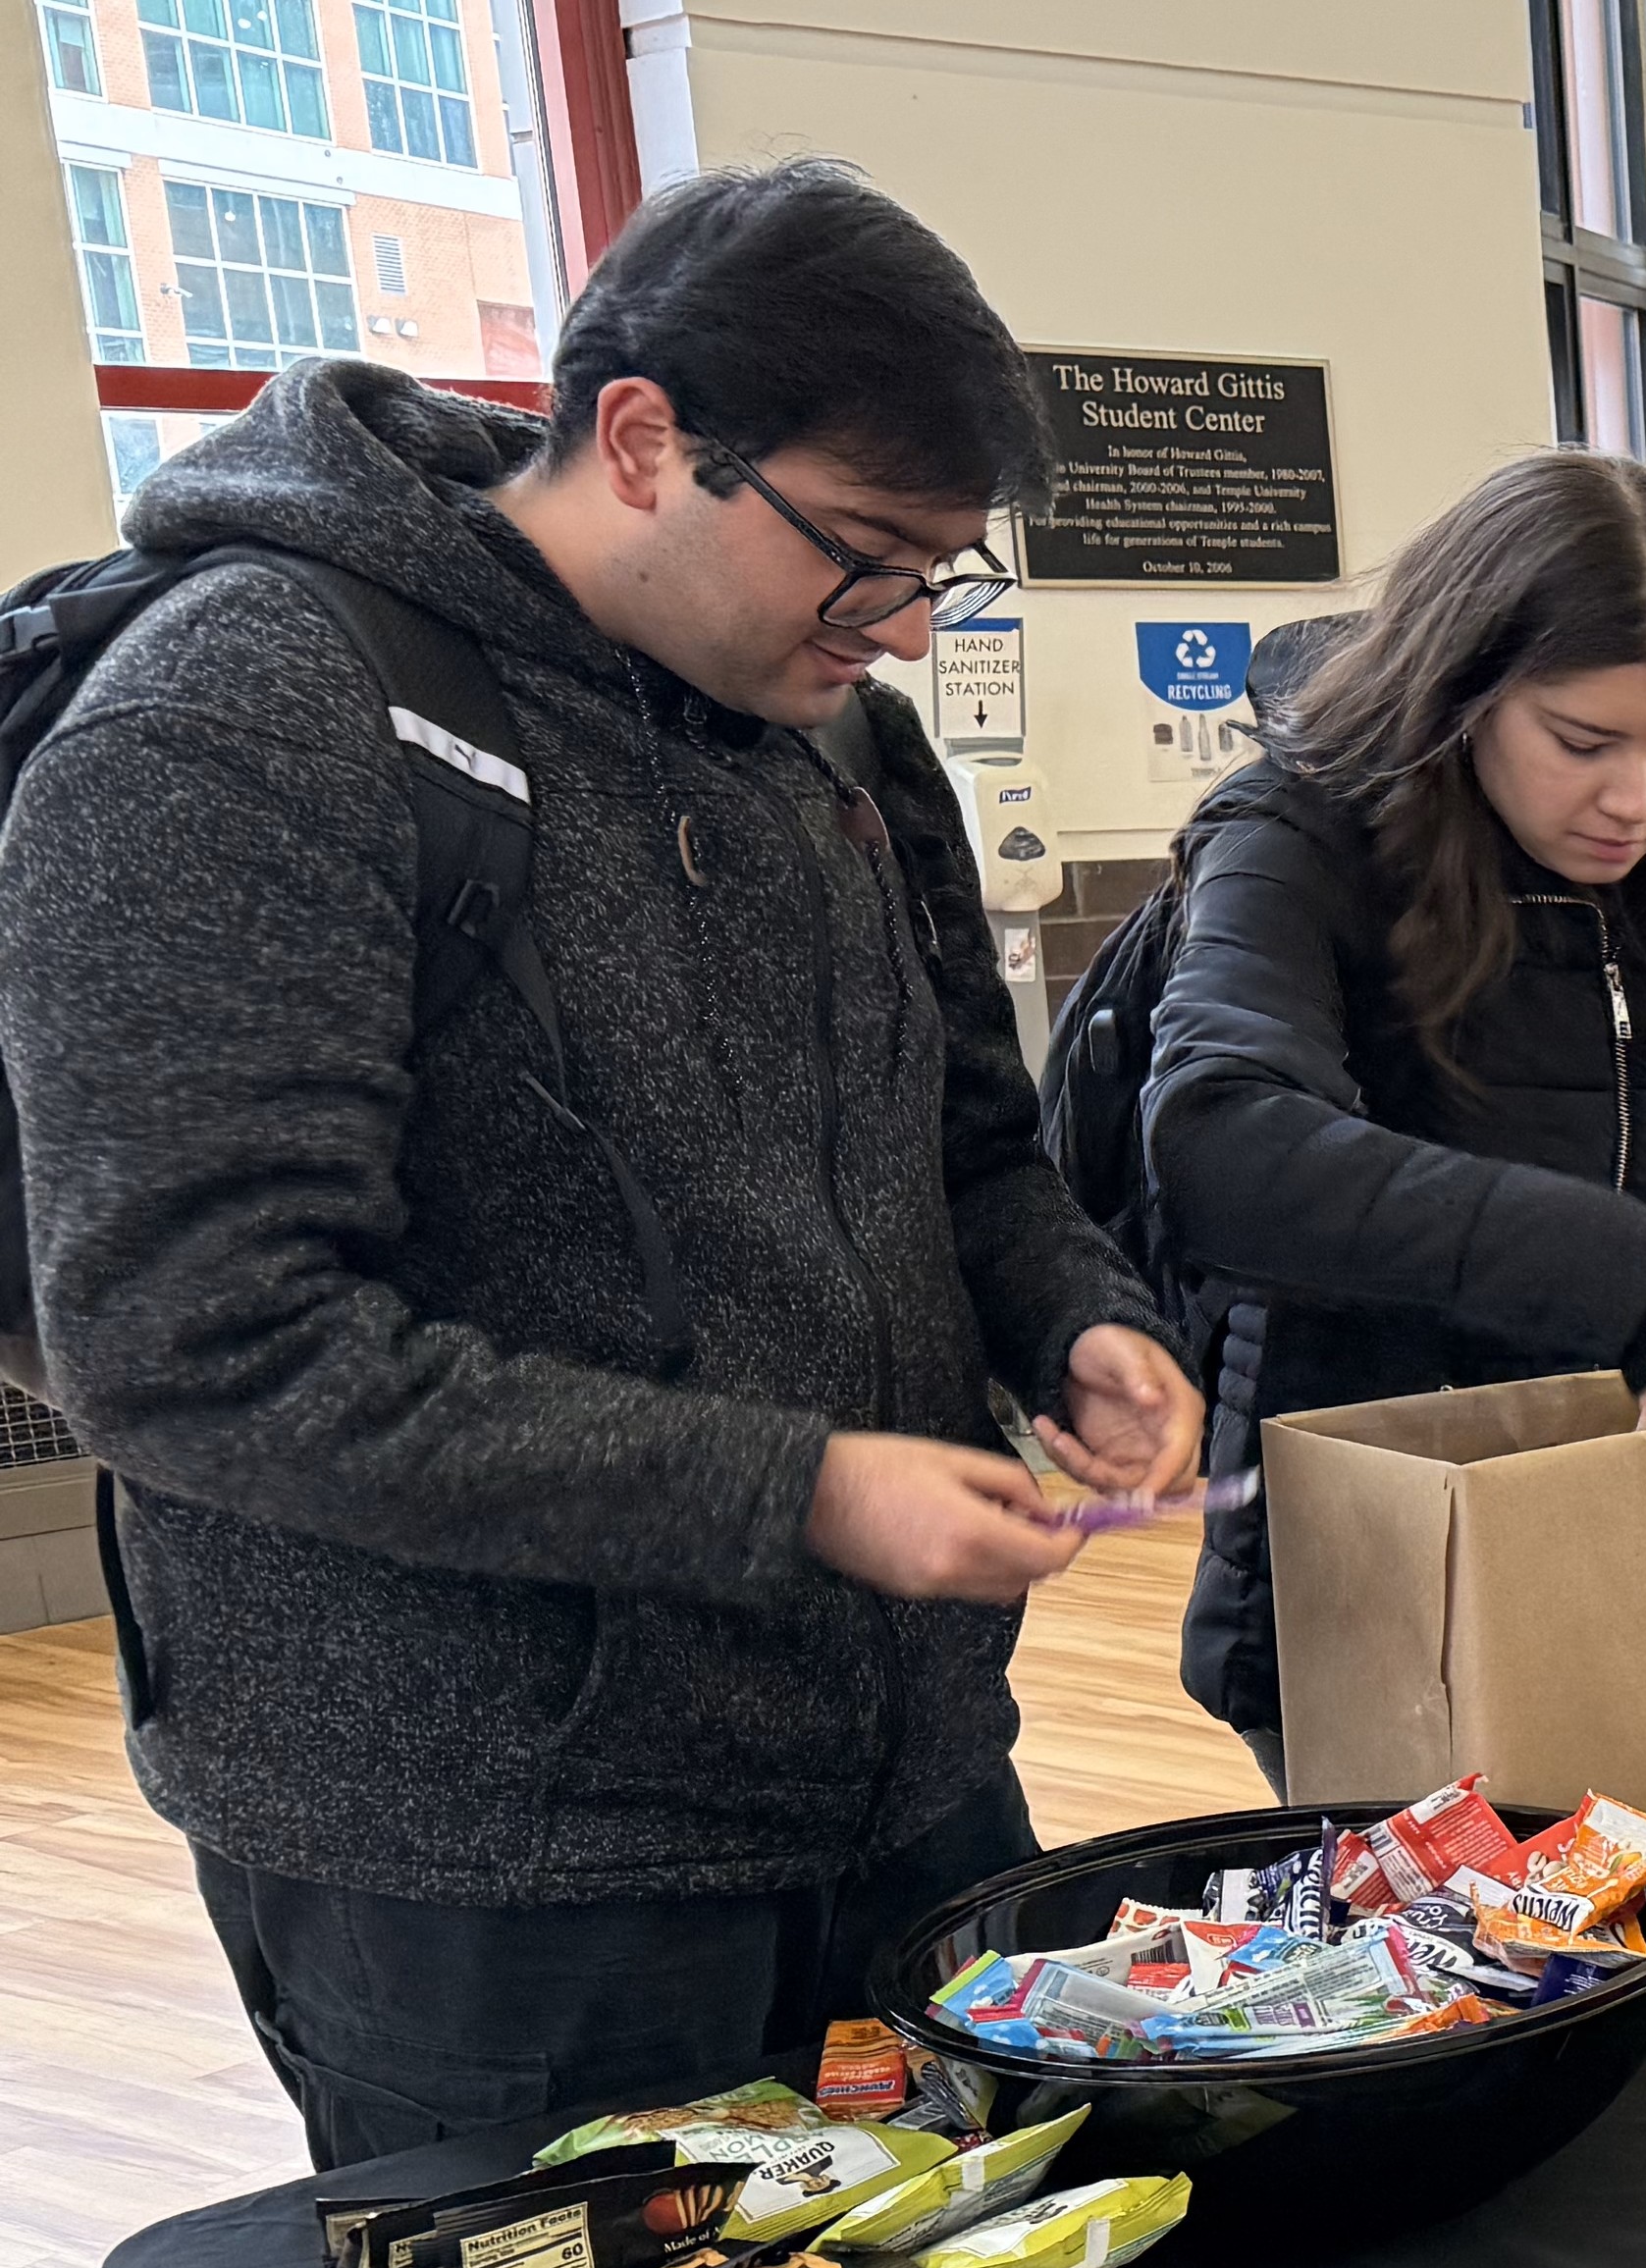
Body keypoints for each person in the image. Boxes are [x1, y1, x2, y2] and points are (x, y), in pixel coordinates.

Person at [0, 163, 1198, 2167]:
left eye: (944, 569)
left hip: (900, 1779)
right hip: (492, 1868)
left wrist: (1077, 1319)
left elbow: (971, 1149)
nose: (904, 626)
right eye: (865, 555)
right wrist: (801, 1490)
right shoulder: (245, 719)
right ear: (642, 439)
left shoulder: (833, 734)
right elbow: (202, 1348)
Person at [1144, 450, 1646, 1792]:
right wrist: (1616, 1270)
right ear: (1462, 691)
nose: (1636, 799)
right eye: (1582, 742)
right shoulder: (1293, 834)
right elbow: (1217, 1134)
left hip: (1625, 1552)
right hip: (1369, 1563)